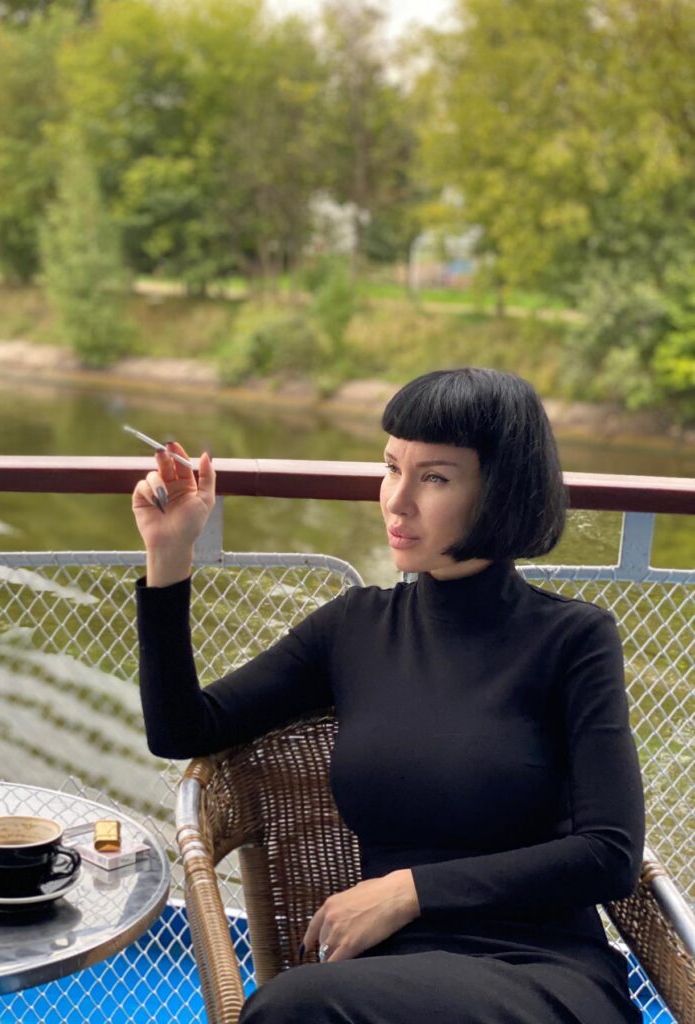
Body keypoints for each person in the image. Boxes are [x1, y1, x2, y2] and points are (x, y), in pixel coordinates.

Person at [132, 367, 645, 1024]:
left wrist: (410, 891)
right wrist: (170, 556)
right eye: (391, 467)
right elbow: (182, 729)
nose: (397, 501)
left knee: (292, 1008)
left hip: (541, 970)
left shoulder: (574, 639)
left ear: (500, 490)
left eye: (435, 478)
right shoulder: (354, 629)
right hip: (389, 967)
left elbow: (610, 853)